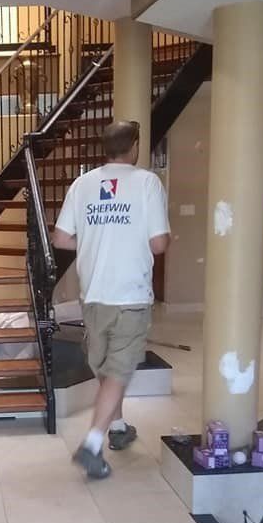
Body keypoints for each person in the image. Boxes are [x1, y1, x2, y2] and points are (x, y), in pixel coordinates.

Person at [52, 120, 170, 479]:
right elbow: (158, 244)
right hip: (130, 294)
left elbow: (61, 239)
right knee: (118, 370)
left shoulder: (82, 184)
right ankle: (91, 445)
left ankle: (117, 427)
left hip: (93, 295)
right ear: (134, 146)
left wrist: (93, 239)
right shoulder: (147, 183)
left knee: (106, 367)